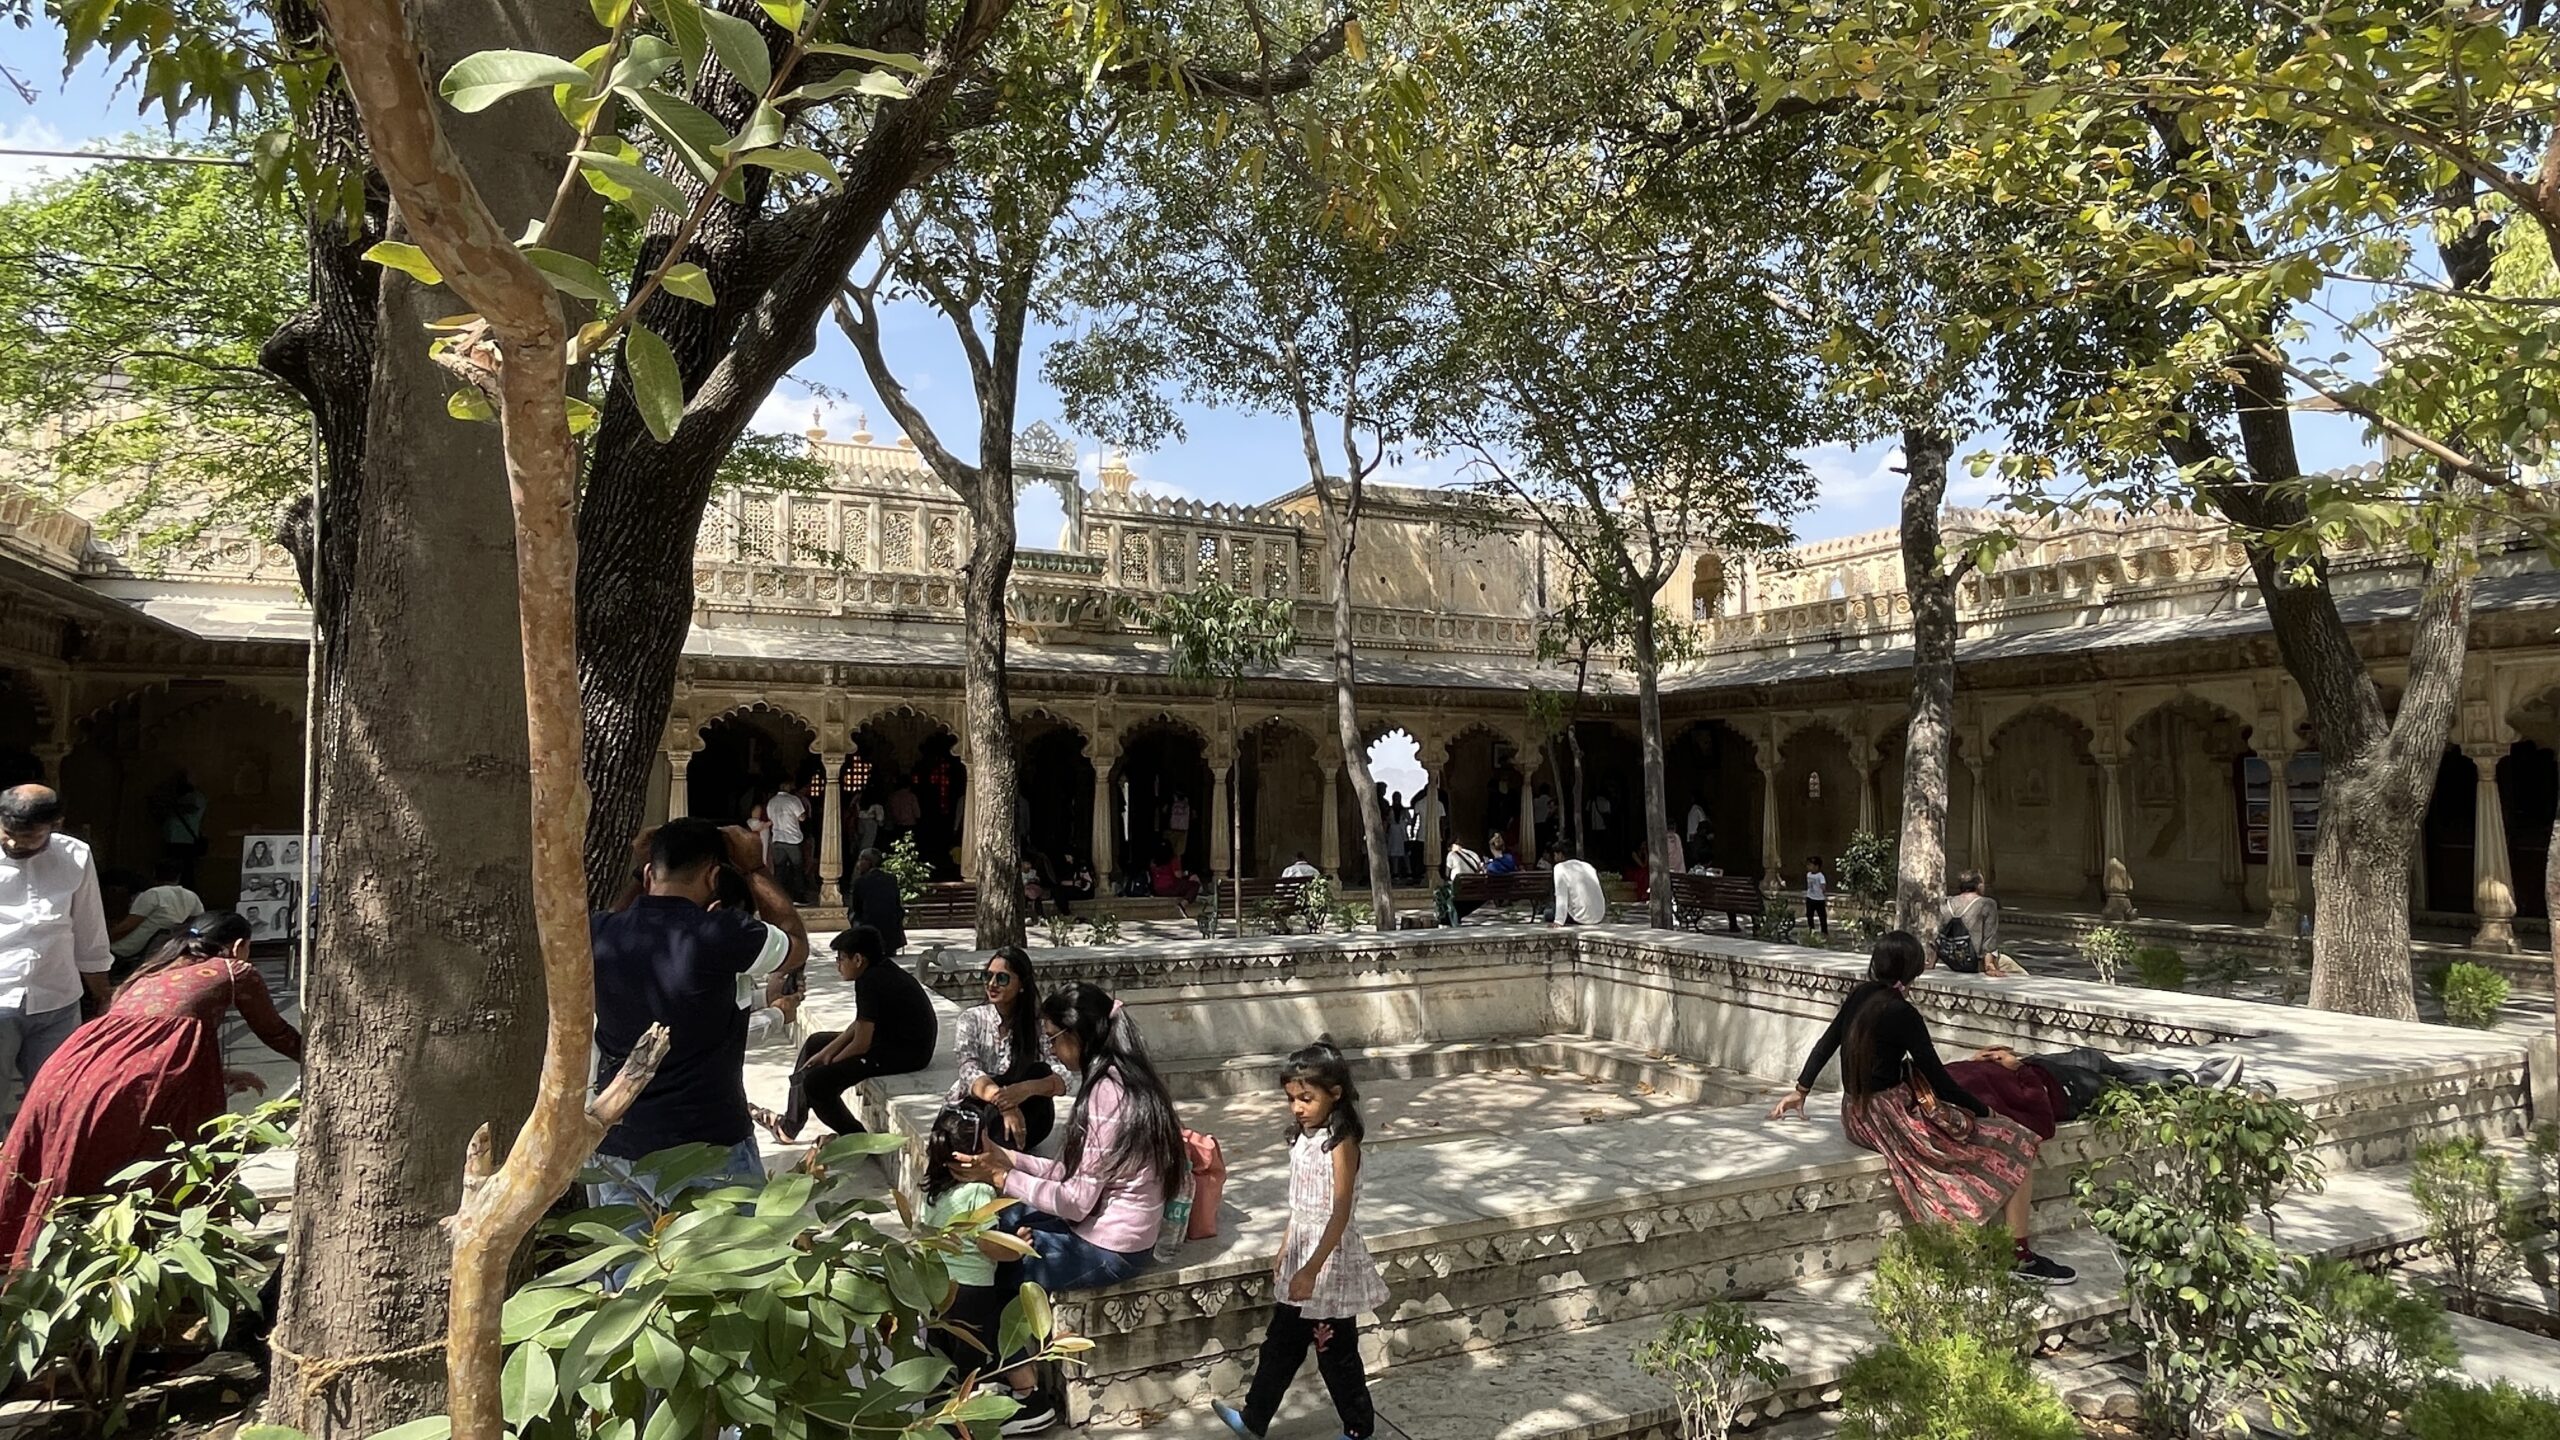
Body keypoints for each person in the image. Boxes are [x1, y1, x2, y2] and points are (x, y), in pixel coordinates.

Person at [1768, 931, 2074, 1285]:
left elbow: (1826, 1043)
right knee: (2017, 1140)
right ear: (1915, 969)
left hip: (1855, 1113)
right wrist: (1987, 1112)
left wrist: (1801, 1091)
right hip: (1888, 1115)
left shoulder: (1860, 995)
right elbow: (1940, 1081)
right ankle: (2019, 1256)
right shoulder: (1903, 1012)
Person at [949, 981, 1188, 1432]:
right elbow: (1071, 1172)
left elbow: (1075, 1202)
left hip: (1113, 1246)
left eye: (1054, 1039)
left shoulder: (1106, 1096)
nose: (1053, 1051)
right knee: (1006, 1219)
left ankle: (1028, 1396)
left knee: (1001, 1266)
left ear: (1077, 1035)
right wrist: (1009, 1161)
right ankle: (984, 1365)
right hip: (1103, 1224)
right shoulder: (1120, 1076)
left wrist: (1002, 1178)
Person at [0, 910, 300, 1269]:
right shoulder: (235, 970)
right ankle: (178, 1264)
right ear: (239, 946)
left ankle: (44, 1265)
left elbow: (137, 1047)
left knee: (65, 1170)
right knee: (157, 1170)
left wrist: (218, 1073)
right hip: (127, 1089)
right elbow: (276, 1032)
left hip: (64, 1075)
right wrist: (318, 1058)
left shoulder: (148, 974)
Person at [590, 820, 808, 1210]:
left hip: (619, 1143)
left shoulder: (600, 932)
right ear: (713, 877)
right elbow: (796, 943)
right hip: (710, 1144)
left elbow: (618, 918)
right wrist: (754, 869)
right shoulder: (720, 933)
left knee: (629, 1251)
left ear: (648, 873)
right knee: (732, 1249)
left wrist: (642, 875)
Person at [1211, 1039, 1387, 1440]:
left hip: (1329, 1264)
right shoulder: (1302, 1138)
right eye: (1291, 1099)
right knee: (1280, 1345)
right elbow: (1300, 1204)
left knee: (1335, 1353)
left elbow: (1339, 1212)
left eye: (1307, 1098)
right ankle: (1254, 1419)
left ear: (1335, 1094)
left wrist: (1312, 1269)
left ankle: (1359, 1428)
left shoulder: (1342, 1143)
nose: (1297, 1107)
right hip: (1301, 1255)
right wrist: (1287, 1245)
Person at [0, 785, 113, 1132]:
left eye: (29, 836)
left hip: (58, 1002)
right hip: (1, 998)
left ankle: (45, 1165)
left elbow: (89, 929)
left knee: (55, 1101)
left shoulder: (76, 856)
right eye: (8, 833)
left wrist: (103, 993)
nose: (15, 843)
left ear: (55, 825)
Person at [762, 924, 935, 1143]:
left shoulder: (871, 981)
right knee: (816, 1043)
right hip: (887, 1040)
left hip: (905, 1053)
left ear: (858, 959)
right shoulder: (878, 970)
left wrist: (831, 1063)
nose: (838, 965)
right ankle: (790, 1126)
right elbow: (860, 1024)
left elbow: (861, 1044)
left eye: (841, 959)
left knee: (816, 1084)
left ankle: (856, 1137)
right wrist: (826, 1052)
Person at [921, 1103, 1018, 1374]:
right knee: (970, 1364)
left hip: (937, 1287)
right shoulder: (978, 1192)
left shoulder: (932, 1188)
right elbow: (987, 1244)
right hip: (971, 1292)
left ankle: (938, 1400)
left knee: (939, 1360)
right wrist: (1017, 1248)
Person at [948, 947, 1073, 1149]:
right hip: (978, 1107)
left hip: (1023, 1111)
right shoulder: (971, 1019)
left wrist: (1025, 1090)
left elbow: (1063, 1076)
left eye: (1002, 978)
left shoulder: (1037, 1025)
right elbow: (969, 1071)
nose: (992, 984)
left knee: (1040, 1071)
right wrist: (1006, 1103)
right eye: (987, 976)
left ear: (1021, 984)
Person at [109, 861, 206, 983]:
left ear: (154, 874)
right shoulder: (191, 896)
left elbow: (128, 926)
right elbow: (197, 921)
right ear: (178, 877)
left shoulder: (153, 894)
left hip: (131, 948)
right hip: (163, 946)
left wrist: (107, 938)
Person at [155, 771, 210, 890]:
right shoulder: (178, 797)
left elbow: (190, 808)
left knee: (185, 875)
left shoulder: (196, 797)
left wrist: (171, 804)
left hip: (185, 842)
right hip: (172, 840)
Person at [847, 847, 908, 953]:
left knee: (853, 915)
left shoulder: (861, 882)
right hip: (891, 936)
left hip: (870, 930)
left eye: (861, 860)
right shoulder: (891, 879)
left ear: (869, 862)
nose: (858, 864)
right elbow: (897, 904)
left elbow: (857, 908)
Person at [1940, 870, 1999, 974]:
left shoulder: (1947, 903)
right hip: (1975, 962)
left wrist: (1931, 963)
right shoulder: (1987, 904)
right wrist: (1989, 966)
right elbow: (1989, 939)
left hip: (1951, 961)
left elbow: (1939, 935)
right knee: (2015, 968)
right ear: (1979, 886)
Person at [766, 779, 810, 903]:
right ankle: (798, 896)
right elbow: (801, 817)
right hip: (793, 839)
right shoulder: (793, 800)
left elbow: (770, 818)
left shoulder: (772, 802)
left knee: (779, 869)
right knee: (797, 868)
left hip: (778, 838)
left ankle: (779, 896)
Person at [1544, 851, 1606, 927]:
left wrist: (1558, 921)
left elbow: (1561, 895)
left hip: (1580, 917)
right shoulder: (1587, 866)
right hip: (1599, 916)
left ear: (1560, 854)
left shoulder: (1560, 868)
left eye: (1555, 855)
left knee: (1547, 913)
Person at [1149, 846, 1201, 916]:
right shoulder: (1172, 859)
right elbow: (1178, 875)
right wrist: (1188, 874)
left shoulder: (1153, 862)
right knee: (1195, 885)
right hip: (1170, 887)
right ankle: (1182, 905)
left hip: (1157, 889)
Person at [1804, 856, 1830, 937]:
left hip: (1819, 899)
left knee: (1822, 917)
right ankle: (1811, 930)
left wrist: (1823, 891)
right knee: (1809, 915)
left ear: (1816, 866)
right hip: (1810, 897)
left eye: (1810, 865)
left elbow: (1823, 885)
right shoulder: (1808, 874)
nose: (1808, 867)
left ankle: (1824, 932)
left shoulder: (1820, 876)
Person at [856, 794, 886, 858]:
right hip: (872, 825)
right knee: (869, 844)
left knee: (862, 843)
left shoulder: (859, 804)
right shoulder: (877, 806)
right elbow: (880, 820)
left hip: (860, 822)